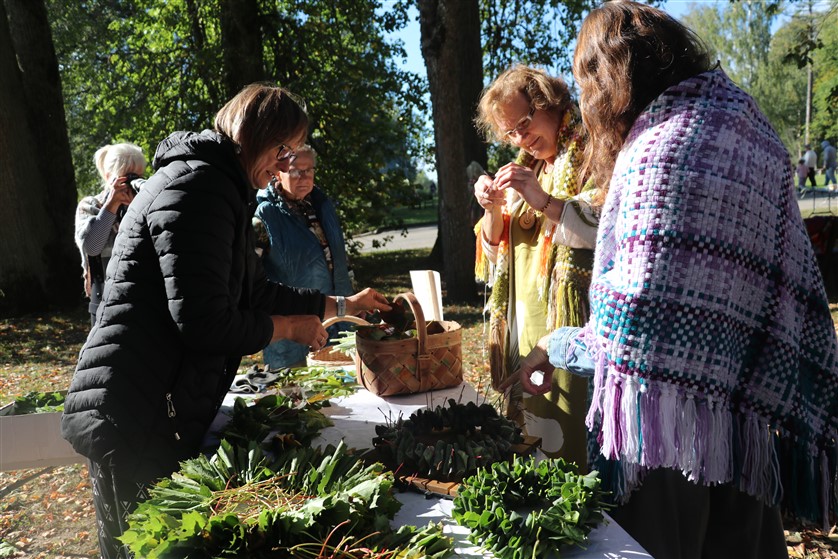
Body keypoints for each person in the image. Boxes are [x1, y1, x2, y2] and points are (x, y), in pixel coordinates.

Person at [513, 3, 838, 558]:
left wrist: (556, 343)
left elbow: (638, 322)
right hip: (745, 416)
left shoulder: (658, 146)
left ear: (608, 80)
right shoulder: (752, 129)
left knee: (660, 542)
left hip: (663, 435)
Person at [61, 84, 390, 559]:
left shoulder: (218, 185)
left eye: (292, 152)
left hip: (152, 405)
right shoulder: (200, 188)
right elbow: (205, 322)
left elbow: (253, 292)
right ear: (249, 134)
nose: (284, 164)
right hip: (136, 413)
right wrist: (287, 329)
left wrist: (339, 304)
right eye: (280, 149)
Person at [472, 65, 601, 465]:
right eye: (509, 132)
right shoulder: (531, 165)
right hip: (524, 330)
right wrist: (492, 209)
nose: (519, 137)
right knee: (530, 443)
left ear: (550, 103)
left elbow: (604, 227)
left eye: (524, 123)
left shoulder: (592, 151)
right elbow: (496, 253)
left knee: (570, 441)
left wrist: (542, 198)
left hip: (569, 328)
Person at [253, 144, 354, 369]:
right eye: (295, 170)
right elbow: (251, 281)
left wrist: (352, 300)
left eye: (309, 170)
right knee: (298, 398)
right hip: (292, 336)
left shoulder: (322, 207)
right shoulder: (263, 217)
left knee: (343, 395)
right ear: (278, 171)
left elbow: (339, 262)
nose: (304, 177)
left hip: (337, 323)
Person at [74, 143, 146, 325]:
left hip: (143, 298)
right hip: (105, 301)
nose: (131, 183)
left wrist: (138, 209)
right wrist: (111, 207)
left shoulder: (145, 203)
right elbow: (92, 247)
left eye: (137, 177)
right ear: (109, 177)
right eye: (126, 178)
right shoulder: (91, 206)